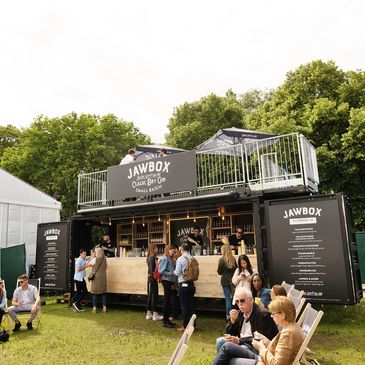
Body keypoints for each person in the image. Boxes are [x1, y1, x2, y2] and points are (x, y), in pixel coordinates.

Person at [212, 296, 304, 365]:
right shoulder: (291, 327)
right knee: (227, 346)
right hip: (264, 358)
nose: (271, 316)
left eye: (273, 314)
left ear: (283, 315)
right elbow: (280, 350)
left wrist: (261, 348)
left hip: (263, 361)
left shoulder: (289, 333)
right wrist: (266, 341)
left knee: (229, 358)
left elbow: (277, 364)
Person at [214, 287, 278, 356]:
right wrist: (232, 321)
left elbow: (260, 338)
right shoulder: (241, 312)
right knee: (220, 341)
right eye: (237, 302)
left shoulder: (263, 314)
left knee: (242, 348)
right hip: (242, 342)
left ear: (251, 300)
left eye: (242, 301)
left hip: (257, 346)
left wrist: (239, 340)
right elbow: (230, 333)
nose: (239, 304)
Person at [174, 243, 196, 332]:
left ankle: (185, 326)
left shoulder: (180, 259)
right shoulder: (193, 258)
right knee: (191, 305)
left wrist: (172, 272)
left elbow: (177, 272)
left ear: (182, 249)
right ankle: (193, 324)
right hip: (191, 284)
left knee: (184, 306)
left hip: (183, 284)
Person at [158, 244, 177, 328]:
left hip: (171, 281)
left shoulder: (171, 258)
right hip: (166, 281)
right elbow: (160, 271)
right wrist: (170, 273)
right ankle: (165, 321)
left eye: (174, 251)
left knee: (169, 301)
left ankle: (167, 320)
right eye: (172, 251)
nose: (173, 252)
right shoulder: (165, 258)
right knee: (167, 301)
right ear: (168, 250)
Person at [217, 244, 237, 319]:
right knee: (234, 298)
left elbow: (219, 272)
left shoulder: (221, 260)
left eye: (221, 250)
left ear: (224, 250)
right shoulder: (233, 259)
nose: (221, 251)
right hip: (233, 281)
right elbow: (236, 269)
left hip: (225, 280)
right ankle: (235, 315)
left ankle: (228, 316)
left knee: (228, 299)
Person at [146, 243, 163, 321]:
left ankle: (149, 313)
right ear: (153, 249)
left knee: (151, 296)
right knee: (154, 296)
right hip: (153, 279)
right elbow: (152, 270)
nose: (157, 249)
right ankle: (154, 314)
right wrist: (155, 278)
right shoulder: (152, 258)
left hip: (151, 279)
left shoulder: (150, 258)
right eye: (156, 248)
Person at [90, 247, 108, 313]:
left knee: (95, 293)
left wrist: (92, 255)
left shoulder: (95, 259)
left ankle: (94, 308)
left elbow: (88, 264)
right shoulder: (104, 259)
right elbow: (106, 267)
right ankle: (104, 307)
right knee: (103, 292)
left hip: (96, 277)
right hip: (103, 277)